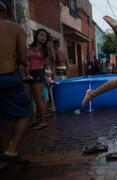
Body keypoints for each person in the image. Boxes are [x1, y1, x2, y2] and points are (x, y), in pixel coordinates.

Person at [0, 1, 31, 166]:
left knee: (2, 118)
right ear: (4, 11)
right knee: (25, 113)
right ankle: (12, 149)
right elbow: (23, 59)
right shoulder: (15, 28)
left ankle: (4, 159)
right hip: (7, 77)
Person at [24, 28, 55, 130]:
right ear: (36, 35)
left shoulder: (46, 49)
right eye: (41, 35)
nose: (43, 37)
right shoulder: (30, 47)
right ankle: (33, 120)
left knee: (38, 99)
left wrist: (51, 48)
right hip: (28, 73)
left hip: (38, 73)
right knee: (28, 99)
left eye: (45, 36)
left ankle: (43, 121)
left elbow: (53, 60)